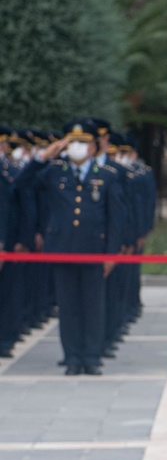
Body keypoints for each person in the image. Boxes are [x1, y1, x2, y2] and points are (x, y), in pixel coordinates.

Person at [18, 121, 126, 375]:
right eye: (73, 143)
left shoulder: (107, 176)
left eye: (83, 143)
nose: (78, 148)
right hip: (62, 248)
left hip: (94, 249)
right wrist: (43, 157)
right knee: (68, 307)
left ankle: (91, 356)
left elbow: (115, 218)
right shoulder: (55, 172)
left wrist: (111, 254)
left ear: (92, 147)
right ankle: (72, 357)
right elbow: (23, 184)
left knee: (93, 305)